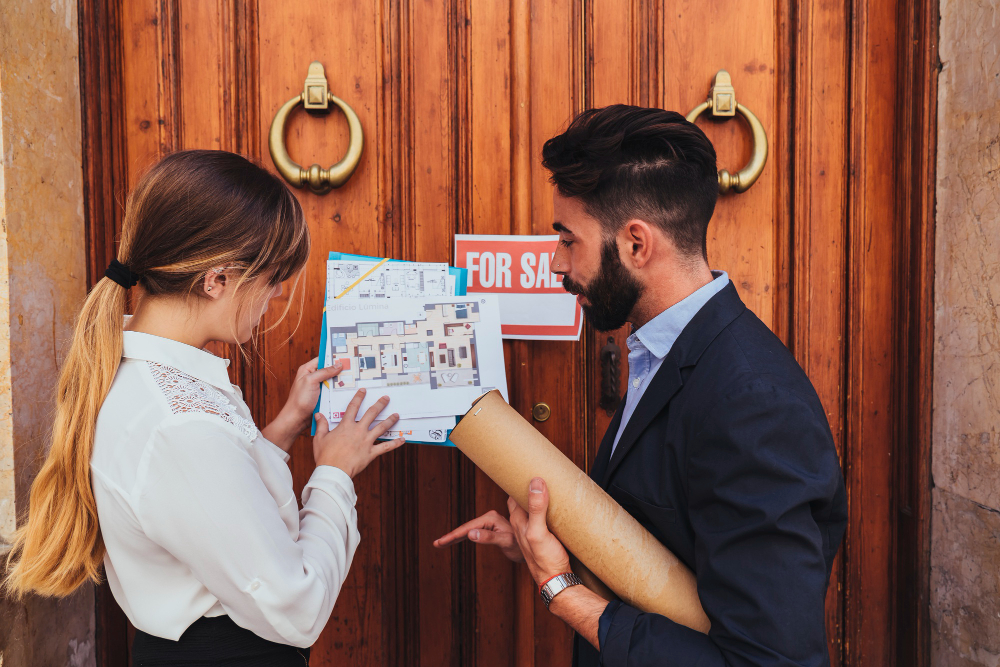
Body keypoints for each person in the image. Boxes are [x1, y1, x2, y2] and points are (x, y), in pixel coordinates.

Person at [435, 106, 848, 666]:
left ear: (636, 244)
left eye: (568, 239)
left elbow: (766, 660)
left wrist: (563, 590)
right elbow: (668, 551)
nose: (556, 263)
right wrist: (558, 548)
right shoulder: (666, 349)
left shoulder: (753, 404)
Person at [3, 150, 403, 666]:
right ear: (216, 279)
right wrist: (334, 472)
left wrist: (282, 426)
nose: (277, 293)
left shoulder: (157, 380)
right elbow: (297, 606)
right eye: (272, 275)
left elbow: (212, 501)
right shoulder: (179, 422)